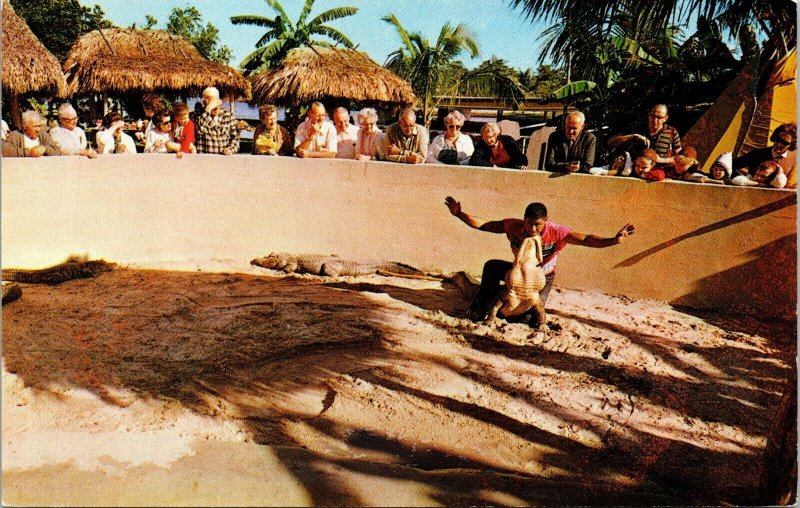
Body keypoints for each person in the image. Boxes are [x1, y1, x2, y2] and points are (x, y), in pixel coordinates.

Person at [444, 196, 635, 327]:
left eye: (538, 224)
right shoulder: (514, 226)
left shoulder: (557, 231)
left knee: (527, 318)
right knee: (491, 266)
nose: (533, 229)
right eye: (529, 223)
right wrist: (460, 214)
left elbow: (586, 239)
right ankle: (480, 303)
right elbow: (484, 225)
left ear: (546, 221)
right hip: (518, 274)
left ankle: (494, 300)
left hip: (542, 277)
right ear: (524, 219)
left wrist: (613, 240)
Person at [608, 104, 682, 165]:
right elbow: (611, 142)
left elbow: (680, 158)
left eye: (659, 117)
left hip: (660, 174)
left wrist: (660, 160)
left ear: (666, 118)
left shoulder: (672, 132)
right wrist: (633, 136)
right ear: (649, 115)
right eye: (652, 116)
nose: (654, 120)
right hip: (636, 171)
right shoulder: (638, 129)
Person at [733, 123, 797, 189]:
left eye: (784, 143)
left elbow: (788, 185)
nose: (779, 144)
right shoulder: (757, 153)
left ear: (792, 145)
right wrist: (743, 180)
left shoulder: (793, 159)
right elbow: (730, 166)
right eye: (777, 139)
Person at [195, 86, 239, 155]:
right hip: (204, 159)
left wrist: (231, 148)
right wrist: (208, 109)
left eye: (216, 101)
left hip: (223, 158)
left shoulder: (228, 116)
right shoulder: (197, 116)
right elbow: (200, 128)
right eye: (211, 101)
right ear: (204, 102)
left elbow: (235, 137)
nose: (215, 106)